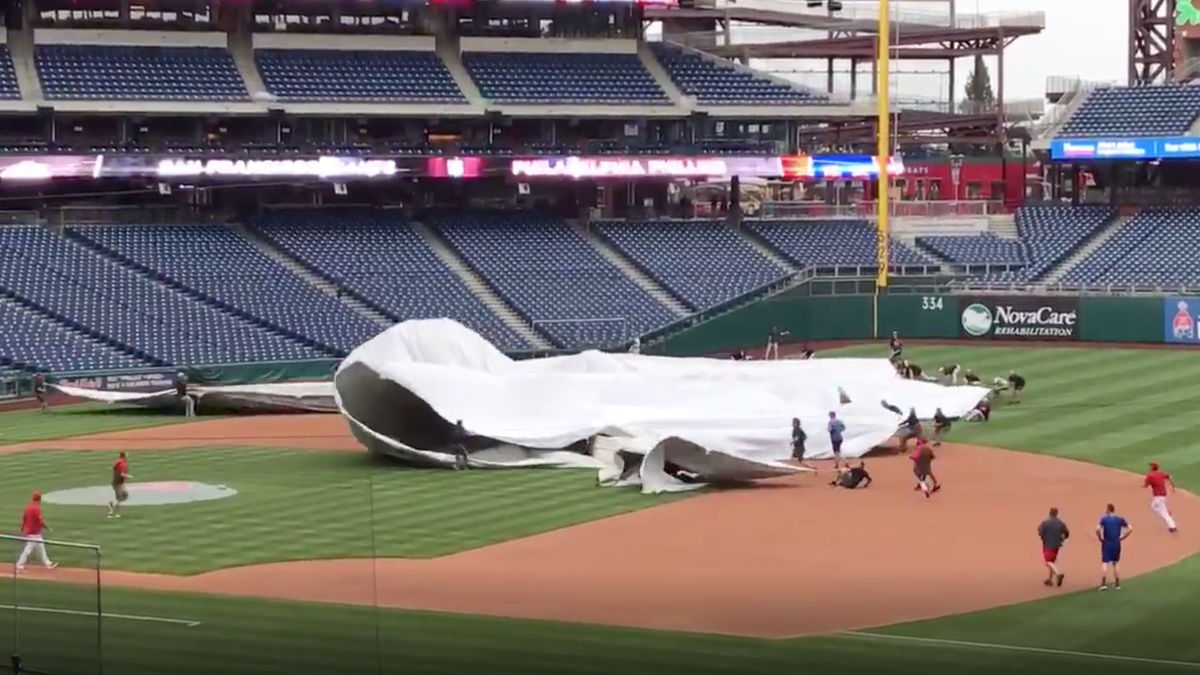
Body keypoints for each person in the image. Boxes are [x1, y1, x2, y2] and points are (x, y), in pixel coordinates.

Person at [16, 492, 57, 572]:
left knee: (41, 547)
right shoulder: (36, 508)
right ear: (39, 499)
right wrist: (48, 528)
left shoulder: (28, 507)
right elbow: (40, 521)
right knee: (29, 549)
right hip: (34, 532)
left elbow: (24, 519)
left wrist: (22, 529)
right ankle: (19, 564)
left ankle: (48, 563)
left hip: (32, 532)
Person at [1097, 503, 1132, 591]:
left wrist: (1100, 538)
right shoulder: (1120, 519)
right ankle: (1117, 584)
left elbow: (1097, 529)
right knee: (1115, 563)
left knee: (1105, 562)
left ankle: (1103, 584)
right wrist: (1123, 537)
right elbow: (1131, 529)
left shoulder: (1104, 519)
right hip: (1117, 543)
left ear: (1108, 510)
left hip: (1107, 543)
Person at [1037, 507, 1070, 587]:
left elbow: (1040, 531)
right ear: (1056, 513)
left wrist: (1043, 537)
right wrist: (1064, 539)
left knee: (1047, 562)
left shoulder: (1045, 522)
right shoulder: (1061, 523)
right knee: (1052, 561)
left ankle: (1058, 574)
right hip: (1057, 545)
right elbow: (1067, 532)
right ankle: (1050, 580)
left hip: (1048, 544)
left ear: (1050, 513)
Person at [1143, 462, 1178, 533]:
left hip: (1158, 496)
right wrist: (1173, 485)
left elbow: (1146, 485)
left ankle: (1172, 526)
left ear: (1152, 468)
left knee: (1163, 512)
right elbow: (1169, 476)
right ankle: (1166, 512)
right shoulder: (1160, 473)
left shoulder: (1150, 475)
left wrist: (1144, 486)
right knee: (1153, 506)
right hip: (1162, 494)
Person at [108, 451, 131, 519]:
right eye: (126, 455)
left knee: (125, 495)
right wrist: (128, 476)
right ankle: (113, 512)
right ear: (124, 456)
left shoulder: (118, 462)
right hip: (118, 484)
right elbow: (122, 474)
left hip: (116, 483)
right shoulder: (122, 464)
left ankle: (112, 507)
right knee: (120, 499)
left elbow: (114, 469)